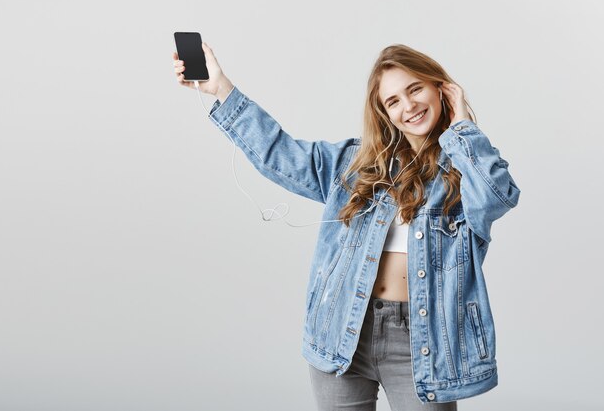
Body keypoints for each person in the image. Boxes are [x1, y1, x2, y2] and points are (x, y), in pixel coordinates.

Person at [173, 42, 521, 411]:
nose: (409, 106)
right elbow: (280, 153)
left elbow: (499, 196)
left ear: (440, 88)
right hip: (344, 330)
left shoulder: (465, 171)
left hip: (425, 342)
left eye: (415, 89)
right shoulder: (354, 165)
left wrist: (462, 125)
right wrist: (221, 88)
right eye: (393, 101)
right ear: (384, 113)